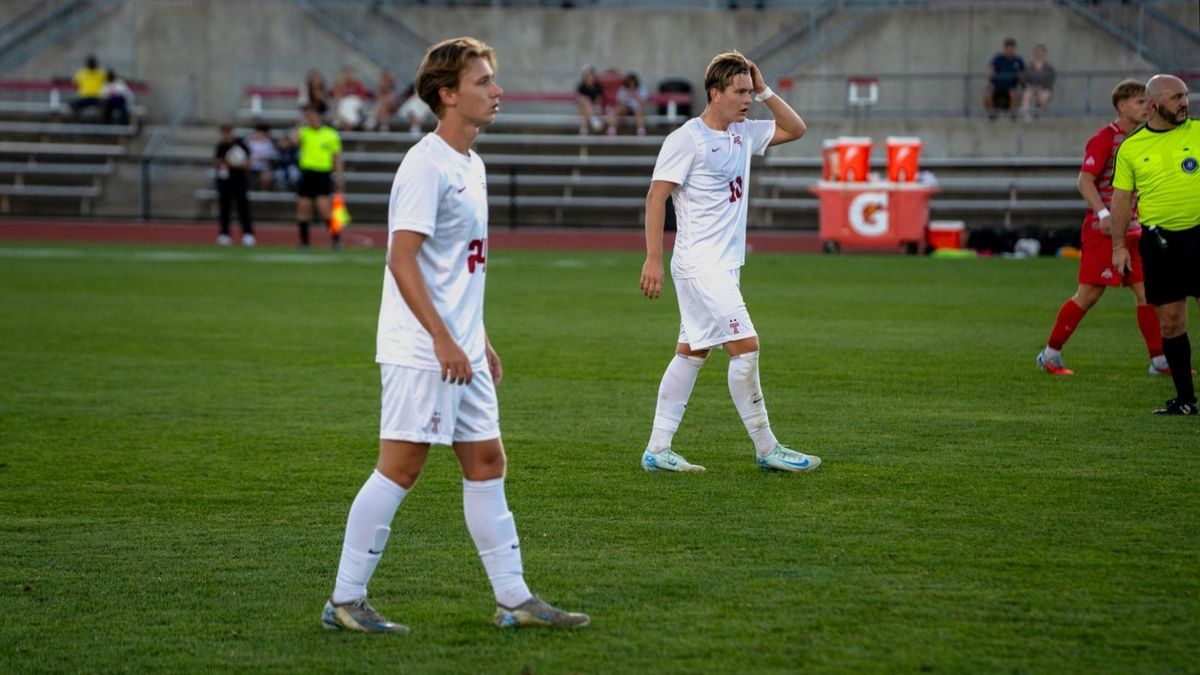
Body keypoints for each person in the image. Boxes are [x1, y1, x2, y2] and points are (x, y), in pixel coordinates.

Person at [320, 36, 589, 633]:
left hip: (461, 346)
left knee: (488, 460)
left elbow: (460, 266)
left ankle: (514, 600)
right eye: (483, 82)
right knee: (401, 466)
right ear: (448, 94)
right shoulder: (425, 163)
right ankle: (344, 600)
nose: (497, 92)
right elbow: (402, 259)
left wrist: (478, 338)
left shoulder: (472, 162)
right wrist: (444, 339)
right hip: (424, 348)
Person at [638, 50, 816, 473]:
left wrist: (765, 86)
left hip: (723, 266)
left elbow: (797, 128)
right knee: (746, 348)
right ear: (714, 93)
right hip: (701, 265)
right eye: (739, 92)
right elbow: (656, 196)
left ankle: (658, 450)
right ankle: (767, 447)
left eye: (749, 92)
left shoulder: (744, 133)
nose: (747, 99)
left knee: (692, 352)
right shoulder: (687, 139)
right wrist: (652, 259)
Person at [1036, 79, 1166, 376]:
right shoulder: (1105, 138)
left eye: (1146, 101)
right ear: (1122, 106)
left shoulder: (1145, 139)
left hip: (1135, 231)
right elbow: (1085, 180)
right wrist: (1104, 213)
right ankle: (1050, 354)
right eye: (1139, 102)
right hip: (1103, 232)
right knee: (1089, 295)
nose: (1146, 107)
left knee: (1147, 293)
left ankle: (1159, 361)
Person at [1110, 74, 1200, 415]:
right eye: (1176, 97)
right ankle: (1186, 400)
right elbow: (1121, 199)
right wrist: (1118, 247)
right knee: (1171, 322)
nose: (1184, 103)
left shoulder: (1198, 131)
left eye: (1186, 95)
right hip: (1160, 243)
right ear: (1153, 105)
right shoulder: (1131, 148)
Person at [293, 103, 345, 250]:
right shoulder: (304, 132)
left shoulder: (331, 134)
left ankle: (336, 239)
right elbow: (293, 141)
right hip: (307, 173)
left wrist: (339, 177)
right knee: (303, 208)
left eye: (312, 114)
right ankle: (304, 243)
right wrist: (300, 124)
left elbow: (337, 158)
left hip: (323, 174)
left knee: (324, 209)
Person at [213, 124, 255, 247]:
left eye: (228, 132)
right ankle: (224, 234)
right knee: (224, 208)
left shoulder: (241, 145)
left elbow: (247, 162)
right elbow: (219, 162)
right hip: (225, 182)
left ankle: (248, 234)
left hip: (239, 180)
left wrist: (235, 163)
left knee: (243, 208)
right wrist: (229, 162)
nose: (226, 135)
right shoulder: (220, 146)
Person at [984, 38, 1024, 120]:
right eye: (1008, 48)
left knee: (1013, 93)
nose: (1010, 50)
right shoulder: (998, 59)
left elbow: (1024, 74)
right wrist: (990, 78)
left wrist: (1019, 77)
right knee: (988, 94)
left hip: (1011, 87)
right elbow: (990, 70)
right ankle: (992, 115)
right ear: (1004, 48)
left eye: (1012, 48)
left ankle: (1012, 115)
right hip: (997, 87)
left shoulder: (1018, 60)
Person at [1019, 44, 1056, 121]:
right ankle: (1026, 117)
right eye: (1037, 52)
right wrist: (1030, 86)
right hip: (1031, 88)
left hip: (1044, 89)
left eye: (1041, 52)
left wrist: (1040, 88)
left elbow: (1051, 80)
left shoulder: (1049, 67)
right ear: (1034, 53)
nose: (1039, 54)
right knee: (1026, 96)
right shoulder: (1029, 66)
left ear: (1045, 53)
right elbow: (1023, 78)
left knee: (1044, 97)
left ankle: (1040, 116)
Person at [606, 71, 647, 137]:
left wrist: (635, 95)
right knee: (617, 109)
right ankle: (612, 129)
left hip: (637, 108)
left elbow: (644, 101)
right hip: (625, 108)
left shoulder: (641, 88)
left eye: (633, 83)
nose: (631, 85)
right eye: (629, 83)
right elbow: (619, 101)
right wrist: (626, 100)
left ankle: (641, 130)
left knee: (639, 109)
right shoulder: (623, 89)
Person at [332, 65, 370, 130]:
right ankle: (346, 122)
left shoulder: (358, 84)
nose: (348, 76)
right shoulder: (339, 85)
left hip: (355, 107)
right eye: (346, 73)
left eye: (350, 73)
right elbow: (337, 98)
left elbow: (362, 98)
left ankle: (348, 123)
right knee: (343, 104)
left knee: (350, 102)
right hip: (343, 108)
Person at [70, 55, 106, 120]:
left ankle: (102, 122)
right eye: (90, 62)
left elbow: (110, 81)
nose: (92, 64)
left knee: (106, 104)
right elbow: (74, 83)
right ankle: (79, 120)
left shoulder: (101, 73)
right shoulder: (81, 72)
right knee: (72, 104)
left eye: (93, 62)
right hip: (85, 97)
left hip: (97, 97)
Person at [245, 124, 278, 191]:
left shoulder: (267, 143)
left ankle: (264, 193)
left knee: (267, 177)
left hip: (263, 167)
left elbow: (270, 155)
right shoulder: (248, 141)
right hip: (249, 166)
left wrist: (260, 157)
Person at [575, 65, 604, 135]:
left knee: (584, 113)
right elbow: (579, 98)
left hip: (594, 108)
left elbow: (599, 99)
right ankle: (593, 120)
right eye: (588, 75)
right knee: (584, 101)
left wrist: (595, 105)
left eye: (591, 74)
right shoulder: (581, 86)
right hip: (584, 107)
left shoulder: (597, 86)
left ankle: (583, 132)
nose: (590, 77)